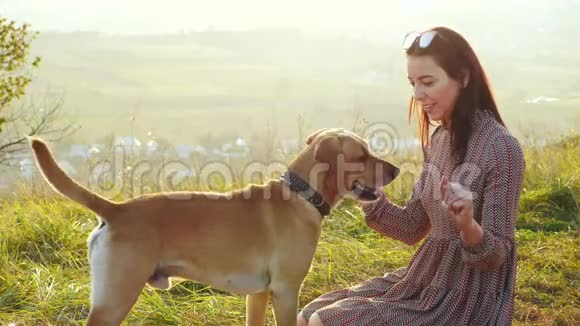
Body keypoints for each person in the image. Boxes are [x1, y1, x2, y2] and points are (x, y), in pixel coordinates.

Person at [297, 26, 526, 326]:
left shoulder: (502, 149)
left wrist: (468, 224)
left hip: (466, 297)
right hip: (424, 279)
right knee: (307, 314)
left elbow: (495, 257)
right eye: (413, 83)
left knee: (324, 322)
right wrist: (364, 193)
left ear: (464, 78)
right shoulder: (440, 140)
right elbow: (412, 227)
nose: (418, 95)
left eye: (427, 82)